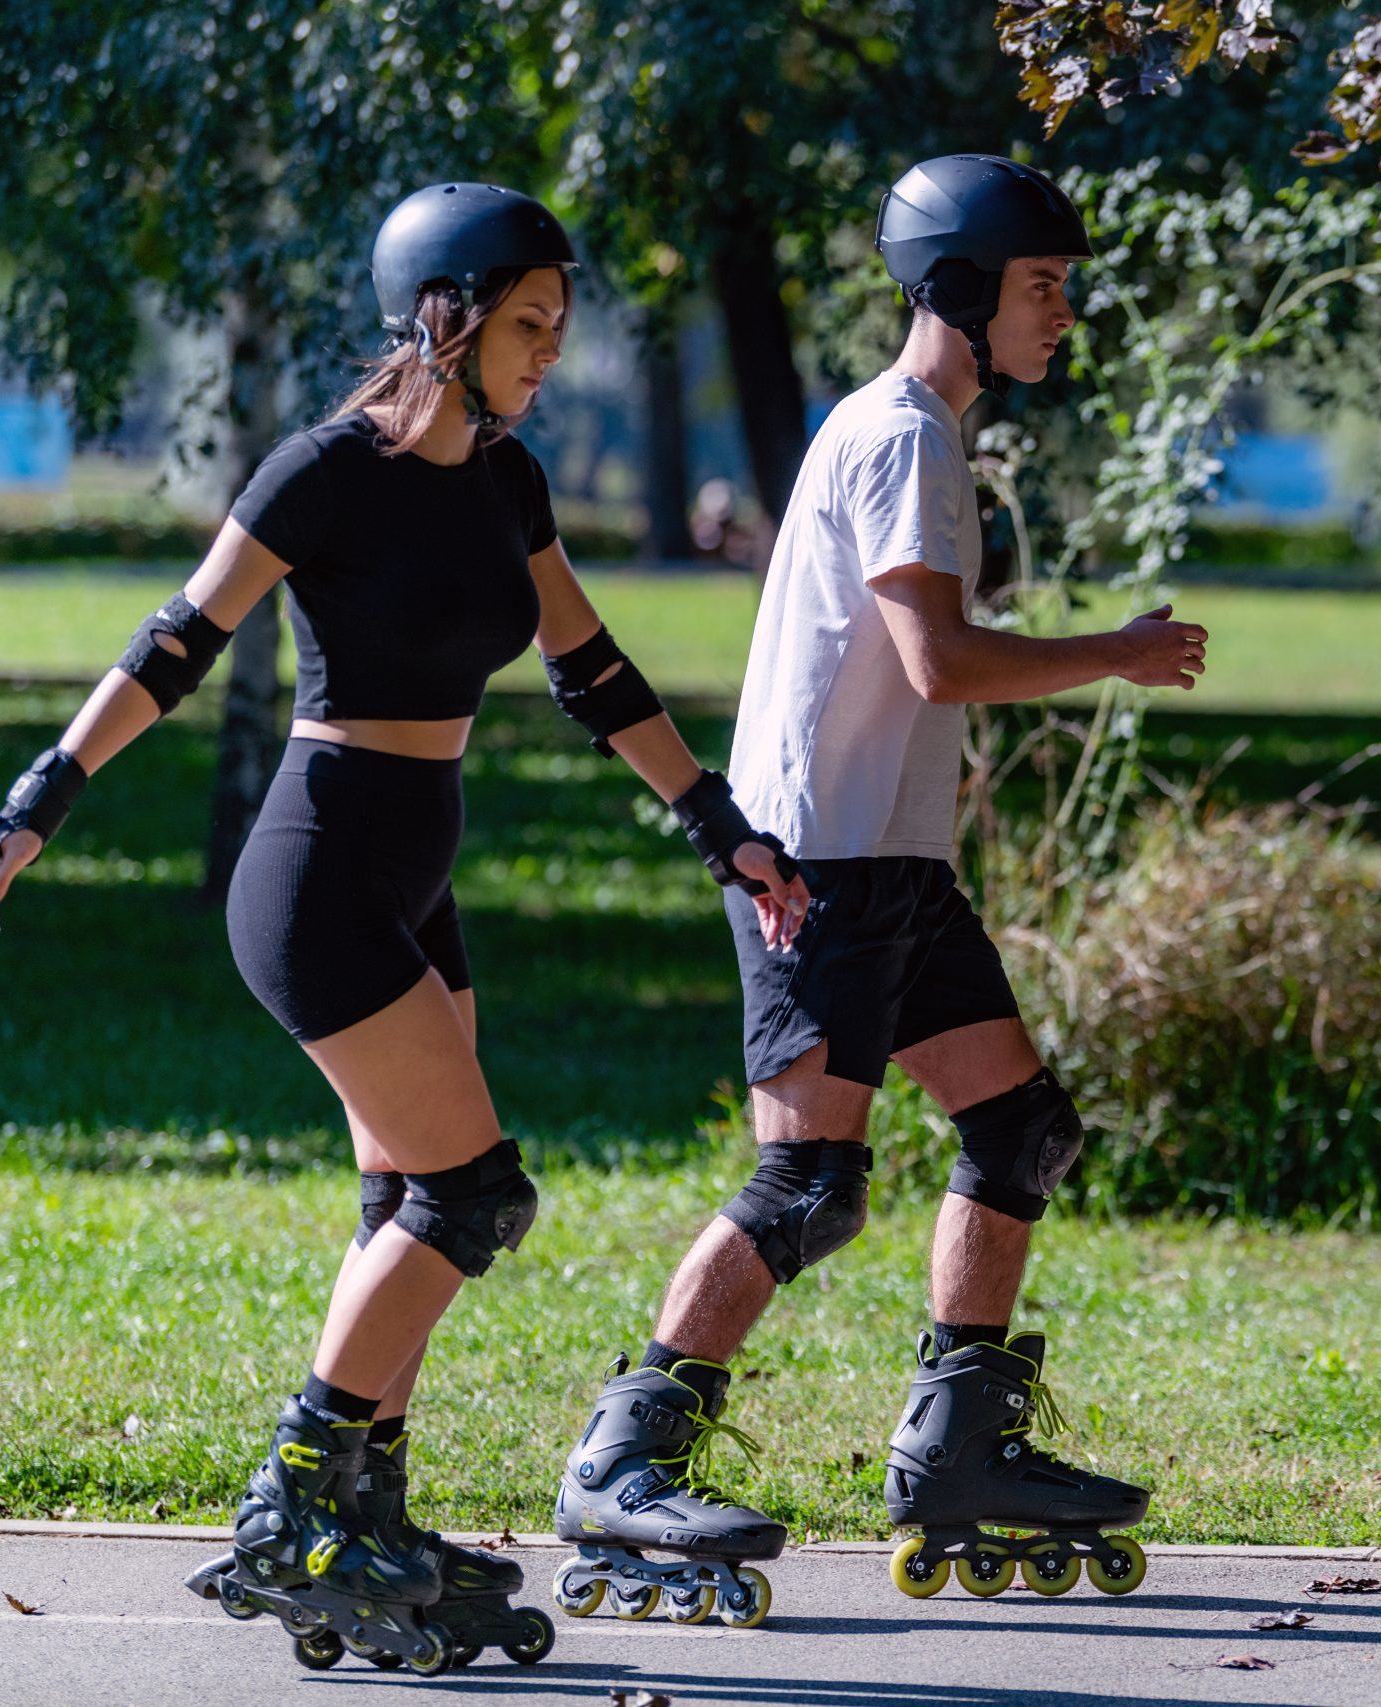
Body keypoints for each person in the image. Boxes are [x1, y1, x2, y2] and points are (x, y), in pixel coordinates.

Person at [0, 182, 804, 1672]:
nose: (548, 351)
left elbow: (593, 672)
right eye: (529, 324)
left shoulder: (508, 482)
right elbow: (180, 637)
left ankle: (369, 1510)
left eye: (558, 325)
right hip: (321, 870)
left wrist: (721, 827)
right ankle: (295, 1495)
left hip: (416, 875)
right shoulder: (326, 471)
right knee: (472, 1196)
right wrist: (42, 794)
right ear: (445, 316)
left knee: (399, 1205)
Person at [549, 154, 1208, 1617]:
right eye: (1043, 288)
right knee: (811, 1185)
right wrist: (1113, 650)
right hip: (822, 870)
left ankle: (959, 1445)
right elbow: (941, 660)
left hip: (895, 864)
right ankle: (624, 1454)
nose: (1064, 316)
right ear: (963, 289)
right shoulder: (904, 434)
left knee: (1022, 1128)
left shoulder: (919, 432)